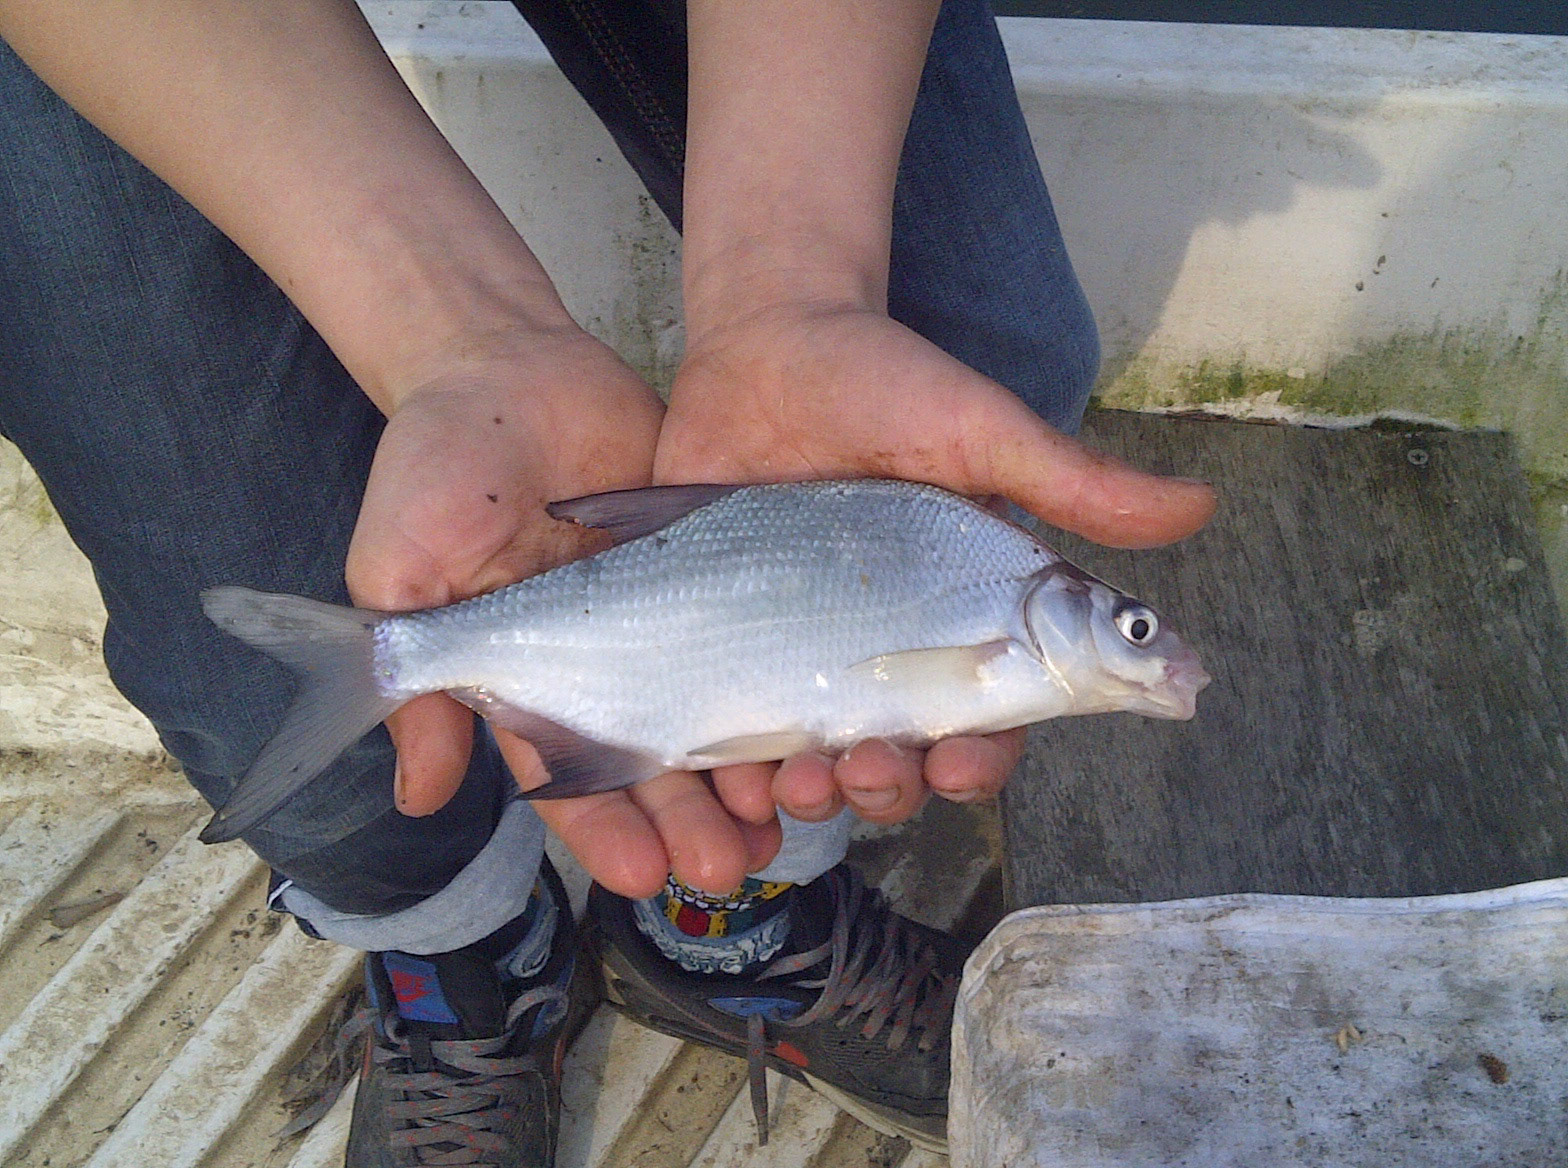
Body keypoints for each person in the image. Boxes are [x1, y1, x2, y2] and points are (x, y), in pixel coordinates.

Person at [0, 0, 1214, 1163]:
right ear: (1061, 607)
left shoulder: (993, 581)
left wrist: (790, 292)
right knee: (229, 648)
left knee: (980, 333)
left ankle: (727, 923)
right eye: (1133, 624)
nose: (1146, 644)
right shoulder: (998, 600)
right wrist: (458, 347)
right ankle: (464, 962)